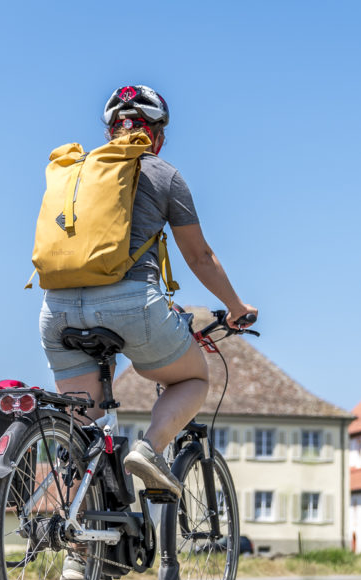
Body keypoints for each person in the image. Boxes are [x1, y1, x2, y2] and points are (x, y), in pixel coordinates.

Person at [39, 83, 257, 517]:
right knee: (192, 377)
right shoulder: (162, 173)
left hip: (56, 310)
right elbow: (200, 256)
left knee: (83, 431)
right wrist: (236, 307)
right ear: (155, 134)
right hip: (131, 303)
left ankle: (79, 558)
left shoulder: (77, 173)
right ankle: (151, 448)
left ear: (109, 133)